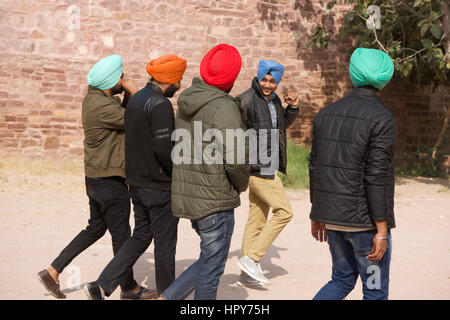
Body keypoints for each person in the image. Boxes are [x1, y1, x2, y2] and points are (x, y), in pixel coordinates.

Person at [37, 55, 143, 299]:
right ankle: (129, 288)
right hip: (110, 181)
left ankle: (53, 270)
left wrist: (126, 95)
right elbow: (135, 119)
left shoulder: (94, 100)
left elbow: (122, 116)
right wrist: (135, 92)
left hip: (95, 179)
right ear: (110, 81)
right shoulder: (105, 106)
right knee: (122, 236)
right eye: (120, 76)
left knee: (95, 228)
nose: (123, 80)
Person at [83, 55, 187, 300]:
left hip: (136, 185)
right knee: (164, 244)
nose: (180, 86)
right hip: (159, 187)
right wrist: (176, 175)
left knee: (140, 236)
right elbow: (163, 149)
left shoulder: (136, 99)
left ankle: (101, 285)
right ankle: (167, 295)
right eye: (178, 80)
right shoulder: (160, 104)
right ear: (169, 80)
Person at [156, 44, 249, 300]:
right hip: (214, 199)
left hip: (192, 196)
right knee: (212, 269)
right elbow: (237, 159)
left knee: (209, 258)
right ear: (231, 77)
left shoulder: (189, 100)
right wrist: (241, 185)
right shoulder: (224, 108)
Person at [309, 47, 396, 300]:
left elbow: (315, 166)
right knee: (375, 290)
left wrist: (318, 212)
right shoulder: (383, 119)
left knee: (341, 279)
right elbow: (376, 176)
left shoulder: (324, 114)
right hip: (365, 226)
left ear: (353, 73)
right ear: (385, 78)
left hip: (333, 221)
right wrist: (381, 231)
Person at [236, 60, 300, 286]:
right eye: (264, 79)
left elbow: (279, 126)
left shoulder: (273, 101)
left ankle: (246, 273)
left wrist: (291, 109)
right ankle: (252, 259)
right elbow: (236, 133)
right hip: (258, 167)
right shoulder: (246, 100)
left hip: (268, 164)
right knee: (284, 212)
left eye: (272, 81)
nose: (267, 84)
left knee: (257, 218)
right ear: (258, 77)